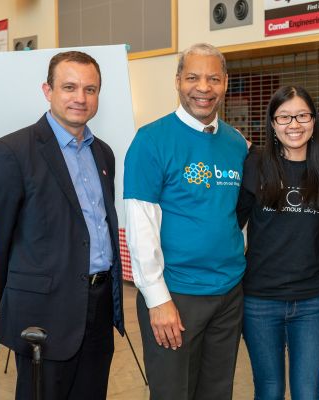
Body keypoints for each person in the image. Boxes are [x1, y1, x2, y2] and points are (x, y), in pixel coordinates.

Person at [0, 51, 124, 399]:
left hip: (99, 308)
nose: (80, 98)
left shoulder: (103, 153)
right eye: (69, 87)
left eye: (90, 89)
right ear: (48, 90)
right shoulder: (12, 151)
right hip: (43, 314)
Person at [124, 43, 249, 399]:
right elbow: (140, 224)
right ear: (178, 81)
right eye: (193, 77)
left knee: (216, 392)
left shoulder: (236, 143)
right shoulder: (151, 140)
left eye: (213, 78)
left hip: (228, 295)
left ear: (225, 82)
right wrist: (157, 298)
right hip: (176, 296)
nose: (203, 87)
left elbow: (237, 214)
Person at [236, 86, 319, 399]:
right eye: (284, 117)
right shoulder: (255, 166)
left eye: (302, 115)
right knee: (269, 390)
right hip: (259, 300)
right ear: (273, 123)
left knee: (308, 391)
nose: (294, 124)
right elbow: (231, 224)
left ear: (314, 120)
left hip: (313, 302)